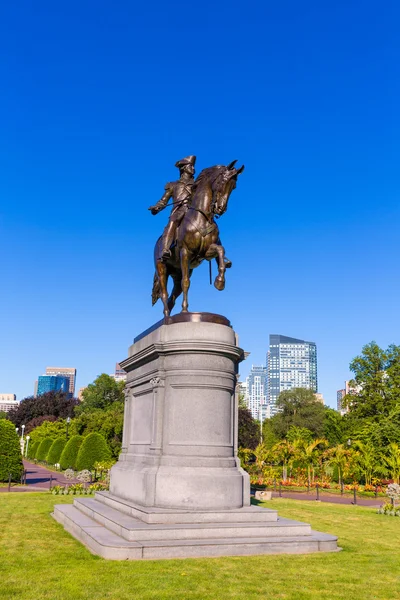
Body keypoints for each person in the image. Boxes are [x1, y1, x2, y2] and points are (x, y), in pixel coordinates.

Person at [148, 155, 196, 261]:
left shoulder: (197, 184)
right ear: (183, 168)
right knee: (173, 221)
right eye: (191, 166)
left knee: (210, 223)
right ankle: (165, 248)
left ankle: (221, 255)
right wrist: (156, 208)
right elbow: (163, 201)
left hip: (193, 211)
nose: (193, 169)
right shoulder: (173, 185)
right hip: (179, 210)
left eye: (193, 166)